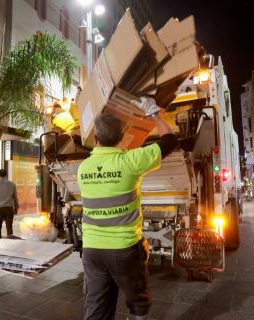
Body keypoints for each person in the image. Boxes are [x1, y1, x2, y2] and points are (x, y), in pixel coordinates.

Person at [77, 97, 178, 320]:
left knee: (97, 309)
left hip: (92, 250)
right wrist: (153, 113)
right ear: (123, 139)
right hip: (124, 250)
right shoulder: (130, 162)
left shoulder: (83, 168)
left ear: (95, 138)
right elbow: (171, 141)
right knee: (138, 303)